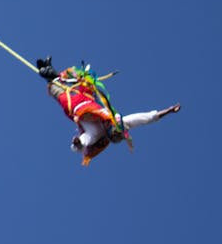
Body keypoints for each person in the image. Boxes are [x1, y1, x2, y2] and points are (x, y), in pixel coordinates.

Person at [37, 56, 180, 165]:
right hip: (86, 98)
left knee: (56, 88)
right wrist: (167, 111)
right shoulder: (115, 120)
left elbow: (87, 139)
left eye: (111, 131)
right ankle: (51, 72)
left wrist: (77, 143)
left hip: (74, 106)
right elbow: (143, 118)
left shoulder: (98, 133)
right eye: (113, 128)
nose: (110, 126)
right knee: (80, 79)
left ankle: (47, 74)